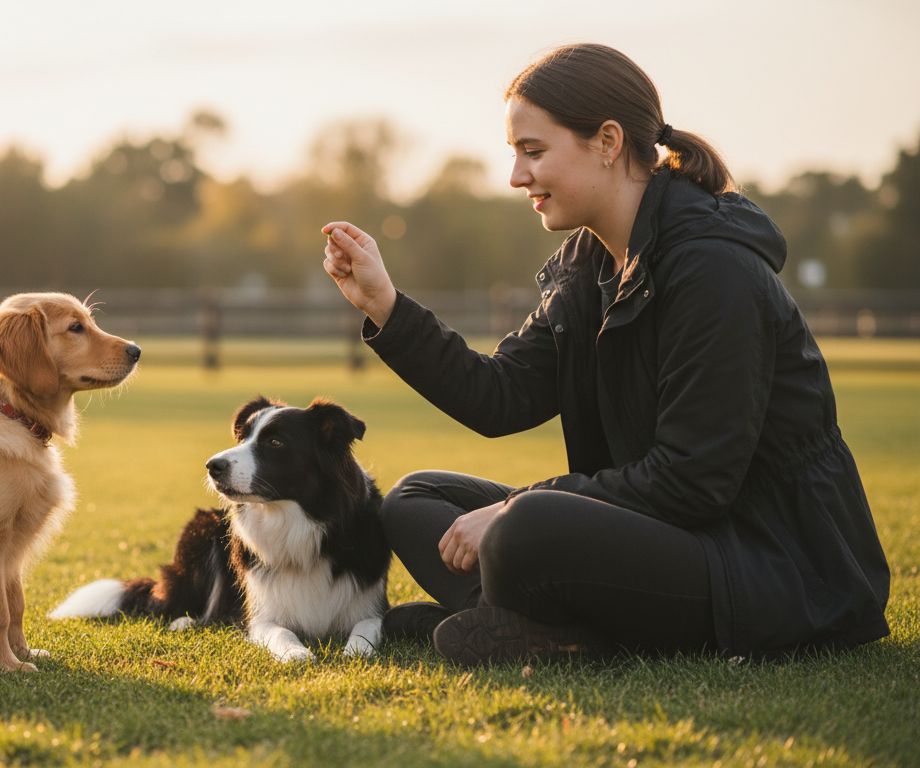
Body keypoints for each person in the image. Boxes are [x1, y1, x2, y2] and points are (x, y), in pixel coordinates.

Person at [321, 43, 890, 665]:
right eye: (514, 154)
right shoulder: (591, 266)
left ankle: (554, 627)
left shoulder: (714, 270)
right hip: (670, 535)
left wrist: (519, 507)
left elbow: (692, 481)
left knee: (524, 527)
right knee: (414, 499)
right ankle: (557, 630)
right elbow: (500, 395)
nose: (515, 177)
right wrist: (385, 305)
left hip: (771, 566)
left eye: (533, 152)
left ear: (608, 141)